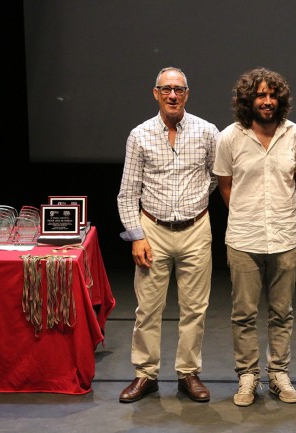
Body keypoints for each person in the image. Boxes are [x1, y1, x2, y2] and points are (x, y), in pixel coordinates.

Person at [116, 66, 218, 403]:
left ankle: (188, 373)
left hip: (195, 229)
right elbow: (127, 193)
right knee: (148, 308)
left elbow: (216, 176)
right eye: (166, 89)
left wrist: (195, 202)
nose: (172, 95)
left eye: (179, 89)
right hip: (153, 231)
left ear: (187, 94)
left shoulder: (207, 132)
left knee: (195, 308)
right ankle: (146, 374)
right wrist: (137, 236)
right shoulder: (140, 135)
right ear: (156, 93)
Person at [214, 68, 296, 407]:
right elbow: (225, 186)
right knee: (244, 314)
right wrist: (247, 214)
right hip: (243, 239)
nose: (267, 101)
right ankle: (248, 376)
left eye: (272, 95)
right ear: (248, 100)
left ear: (281, 99)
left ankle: (278, 373)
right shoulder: (230, 137)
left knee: (282, 312)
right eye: (260, 95)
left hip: (286, 236)